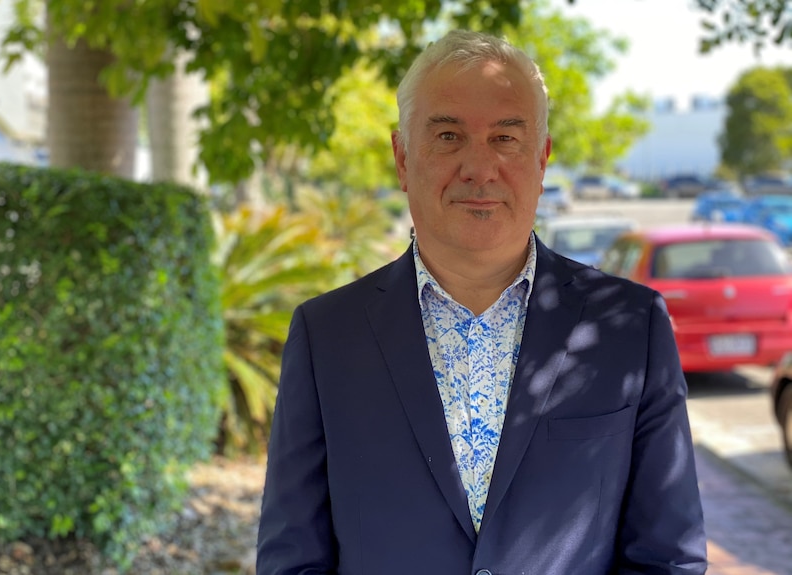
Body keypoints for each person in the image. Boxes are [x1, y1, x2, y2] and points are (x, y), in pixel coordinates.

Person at [256, 29, 707, 575]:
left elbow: (667, 557)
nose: (478, 167)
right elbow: (292, 559)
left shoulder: (631, 328)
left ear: (542, 159)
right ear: (401, 158)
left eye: (505, 138)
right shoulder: (326, 335)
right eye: (447, 135)